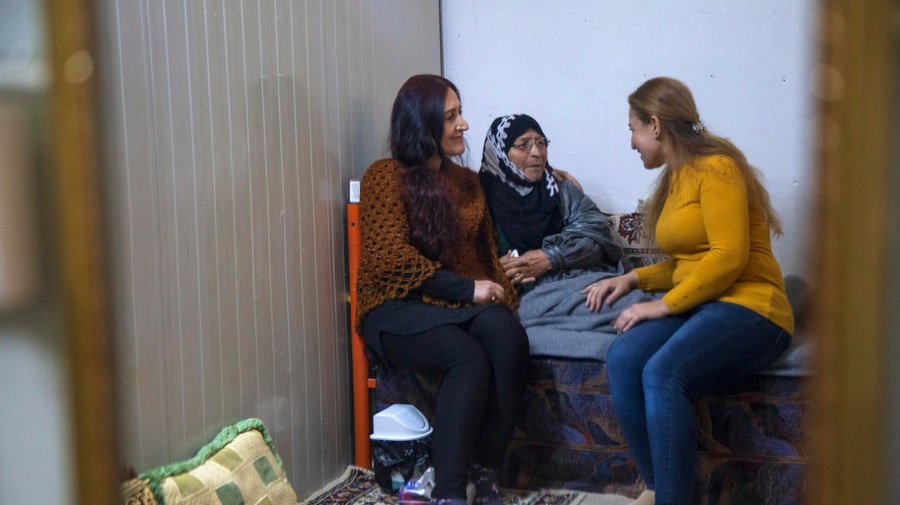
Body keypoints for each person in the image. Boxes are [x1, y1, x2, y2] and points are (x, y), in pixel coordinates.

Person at [584, 77, 794, 505]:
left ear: (656, 126)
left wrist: (660, 307)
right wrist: (633, 280)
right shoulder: (677, 177)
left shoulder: (717, 167)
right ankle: (659, 488)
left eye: (633, 129)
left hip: (754, 306)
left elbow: (728, 257)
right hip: (710, 304)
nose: (631, 142)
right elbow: (688, 264)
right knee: (623, 356)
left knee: (663, 372)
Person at [356, 74, 529, 505]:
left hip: (448, 302)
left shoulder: (468, 184)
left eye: (460, 113)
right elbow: (392, 260)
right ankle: (450, 494)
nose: (463, 124)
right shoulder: (384, 177)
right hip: (395, 308)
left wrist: (496, 293)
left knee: (507, 336)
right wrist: (469, 290)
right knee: (466, 358)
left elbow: (482, 258)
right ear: (423, 124)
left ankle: (485, 471)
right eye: (451, 116)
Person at [479, 113, 658, 360]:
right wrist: (497, 269)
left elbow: (597, 238)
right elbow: (464, 258)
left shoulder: (559, 191)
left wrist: (549, 257)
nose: (537, 152)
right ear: (498, 154)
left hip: (582, 281)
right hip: (528, 297)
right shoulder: (478, 202)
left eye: (541, 143)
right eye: (523, 145)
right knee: (630, 304)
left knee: (624, 298)